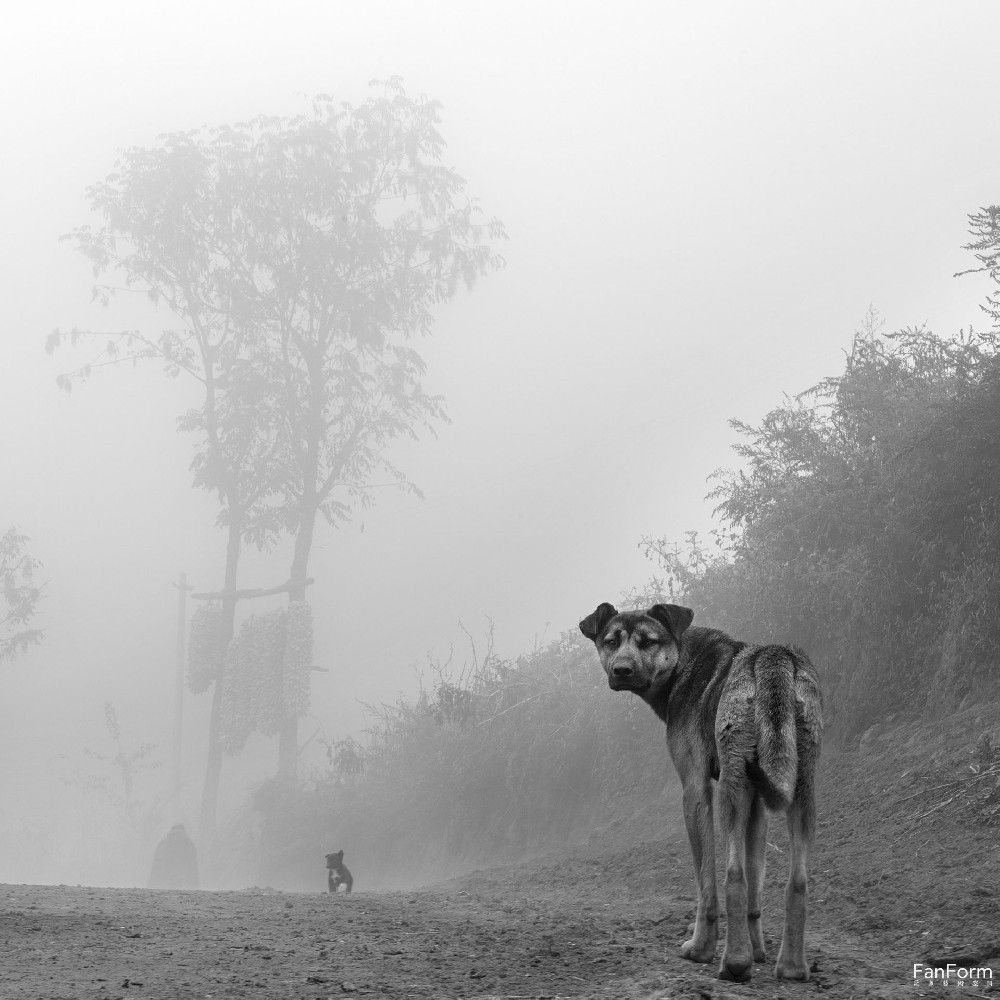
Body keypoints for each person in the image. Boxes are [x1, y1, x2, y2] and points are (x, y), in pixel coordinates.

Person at [148, 823, 199, 889]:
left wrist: (152, 884)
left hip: (164, 880)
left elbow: (156, 865)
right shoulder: (189, 843)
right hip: (183, 882)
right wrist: (195, 885)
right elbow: (193, 866)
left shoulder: (163, 843)